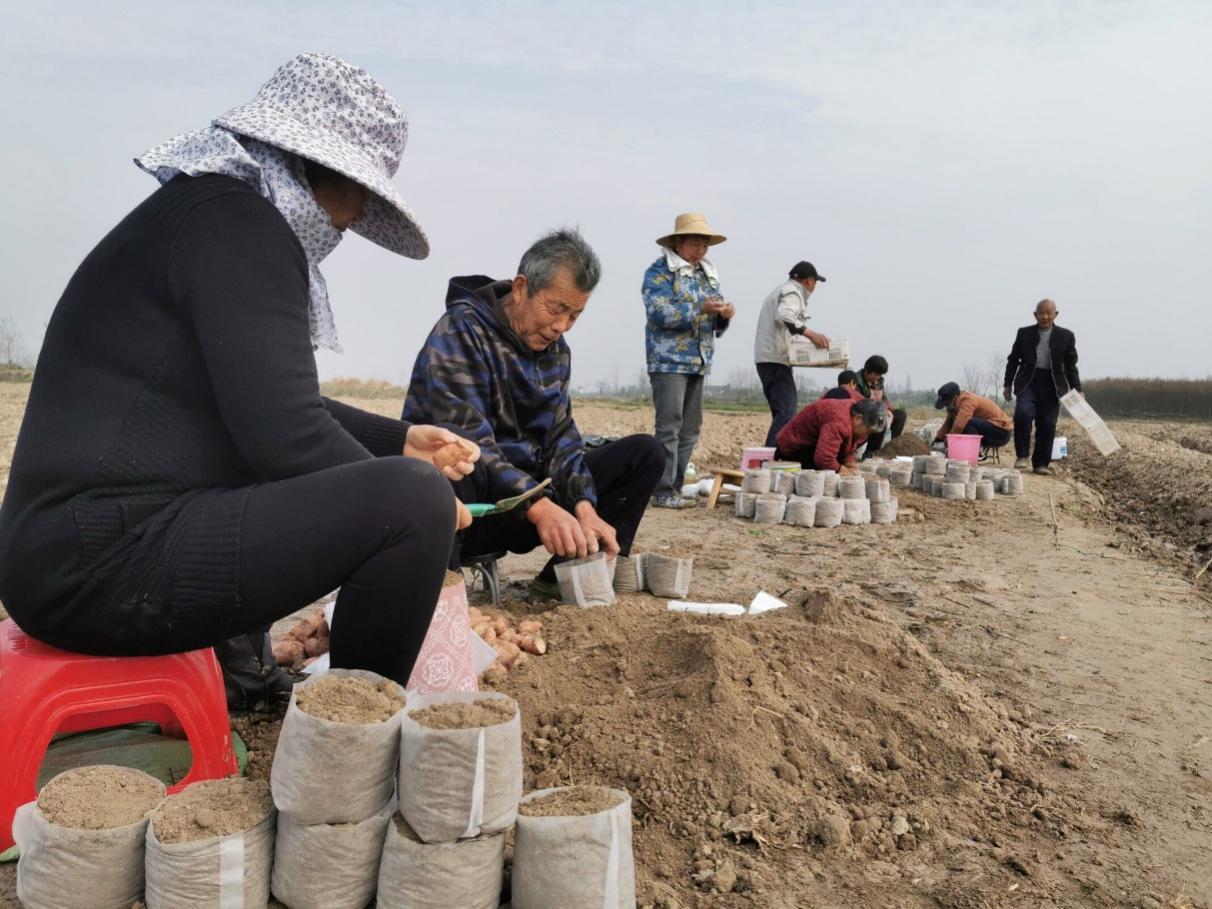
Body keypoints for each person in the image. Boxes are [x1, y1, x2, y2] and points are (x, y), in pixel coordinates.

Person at [0, 54, 479, 709]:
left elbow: (262, 399)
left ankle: (246, 675)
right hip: (97, 565)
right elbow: (286, 435)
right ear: (325, 169)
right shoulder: (243, 226)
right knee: (411, 504)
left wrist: (397, 440)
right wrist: (419, 502)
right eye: (362, 189)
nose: (357, 213)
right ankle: (348, 746)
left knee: (401, 485)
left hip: (67, 552)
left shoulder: (215, 212)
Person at [404, 230, 665, 600]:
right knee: (450, 467)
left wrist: (584, 505)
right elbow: (470, 444)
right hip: (473, 509)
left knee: (645, 454)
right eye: (556, 309)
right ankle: (438, 596)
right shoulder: (461, 331)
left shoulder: (557, 350)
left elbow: (561, 437)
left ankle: (563, 577)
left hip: (528, 504)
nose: (561, 325)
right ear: (522, 288)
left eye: (575, 315)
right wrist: (538, 506)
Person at [643, 213, 734, 509]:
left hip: (698, 361)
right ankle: (662, 490)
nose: (700, 251)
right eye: (695, 244)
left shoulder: (706, 275)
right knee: (668, 426)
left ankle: (676, 487)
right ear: (679, 242)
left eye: (704, 246)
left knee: (690, 429)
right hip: (668, 362)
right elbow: (659, 312)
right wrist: (701, 308)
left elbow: (712, 320)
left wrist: (722, 316)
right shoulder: (659, 273)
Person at [754, 261, 830, 447]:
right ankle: (771, 459)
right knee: (787, 412)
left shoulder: (780, 291)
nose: (814, 288)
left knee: (781, 412)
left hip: (768, 359)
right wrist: (811, 335)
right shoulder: (793, 292)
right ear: (809, 281)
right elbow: (784, 316)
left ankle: (774, 456)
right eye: (815, 283)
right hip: (775, 360)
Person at [1003, 298, 1081, 475]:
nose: (1045, 316)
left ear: (1056, 315)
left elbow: (1071, 366)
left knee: (1047, 423)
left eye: (1049, 313)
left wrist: (1077, 389)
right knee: (1023, 413)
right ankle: (1022, 456)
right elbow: (1013, 360)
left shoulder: (1066, 336)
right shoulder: (1024, 333)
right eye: (1041, 313)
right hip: (1028, 381)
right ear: (1035, 315)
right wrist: (1007, 383)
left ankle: (1041, 463)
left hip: (1053, 384)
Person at [775, 398, 887, 474]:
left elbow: (850, 446)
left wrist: (849, 462)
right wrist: (839, 469)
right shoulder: (838, 421)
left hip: (814, 446)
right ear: (858, 418)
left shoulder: (853, 416)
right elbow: (823, 458)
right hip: (792, 449)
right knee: (820, 479)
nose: (867, 435)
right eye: (868, 431)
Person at [932, 382, 1013, 452]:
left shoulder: (967, 400)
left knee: (965, 422)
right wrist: (938, 440)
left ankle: (977, 452)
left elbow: (959, 425)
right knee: (958, 422)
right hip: (990, 431)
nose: (946, 406)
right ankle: (973, 450)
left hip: (1002, 432)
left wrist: (949, 440)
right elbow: (948, 423)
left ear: (955, 397)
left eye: (946, 403)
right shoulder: (954, 406)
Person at [854, 355, 908, 458]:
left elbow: (884, 399)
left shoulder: (879, 382)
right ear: (868, 371)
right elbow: (857, 403)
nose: (878, 377)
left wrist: (889, 409)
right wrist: (880, 409)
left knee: (901, 415)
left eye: (880, 375)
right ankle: (871, 452)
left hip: (878, 409)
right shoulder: (856, 381)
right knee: (879, 417)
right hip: (863, 415)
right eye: (876, 374)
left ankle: (893, 447)